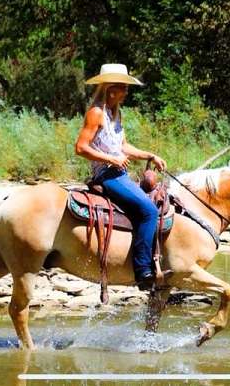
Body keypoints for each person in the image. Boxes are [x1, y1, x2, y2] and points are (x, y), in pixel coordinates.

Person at [75, 63, 167, 290]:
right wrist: (111, 159)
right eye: (123, 88)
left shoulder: (116, 114)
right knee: (149, 211)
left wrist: (150, 155)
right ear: (111, 89)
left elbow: (123, 147)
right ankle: (143, 269)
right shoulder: (96, 113)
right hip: (107, 175)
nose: (126, 93)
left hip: (119, 172)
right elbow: (80, 147)